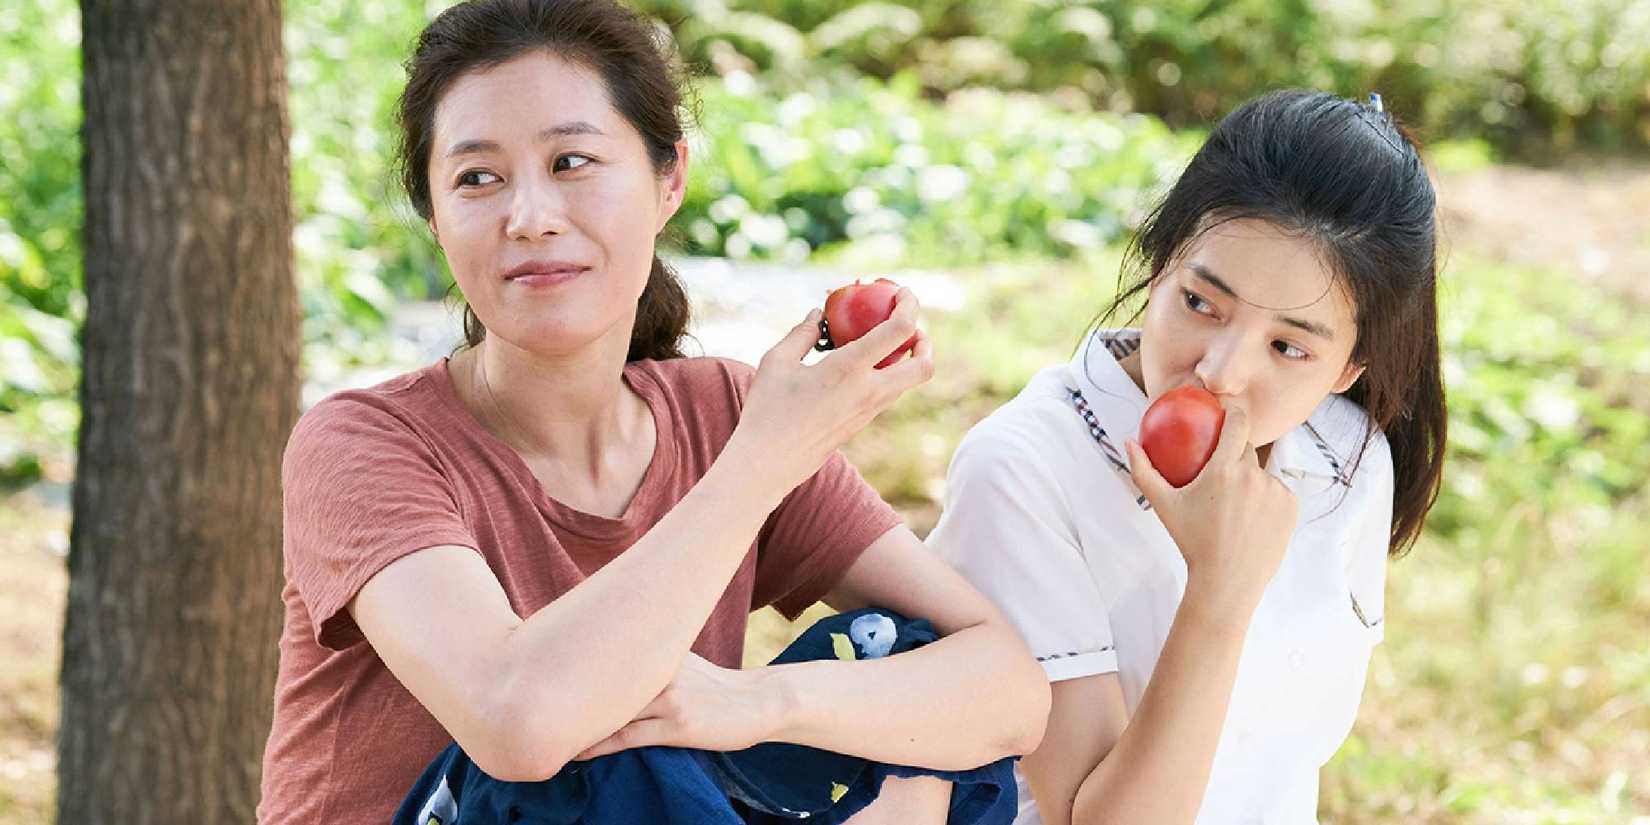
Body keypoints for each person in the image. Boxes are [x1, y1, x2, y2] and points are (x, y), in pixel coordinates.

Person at [256, 1, 1048, 821]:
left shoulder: (724, 411)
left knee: (902, 663)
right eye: (477, 178)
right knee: (585, 750)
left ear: (669, 180)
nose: (529, 216)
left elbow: (1009, 689)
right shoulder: (360, 444)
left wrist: (761, 703)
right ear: (434, 216)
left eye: (571, 161)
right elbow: (517, 723)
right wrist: (763, 463)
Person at [927, 90, 1447, 824]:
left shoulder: (1347, 460)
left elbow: (1277, 771)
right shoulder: (1021, 470)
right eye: (1202, 303)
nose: (1222, 372)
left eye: (1288, 346)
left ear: (1348, 370)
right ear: (1160, 257)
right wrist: (1219, 594)